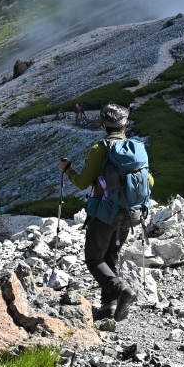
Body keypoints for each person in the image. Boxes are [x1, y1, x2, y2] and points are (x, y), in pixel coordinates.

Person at [60, 103, 152, 321]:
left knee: (94, 258)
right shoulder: (137, 149)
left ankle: (122, 290)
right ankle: (109, 306)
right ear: (125, 125)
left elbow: (82, 182)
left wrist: (68, 170)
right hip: (130, 214)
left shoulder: (100, 149)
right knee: (111, 256)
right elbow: (150, 180)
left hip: (104, 213)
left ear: (103, 125)